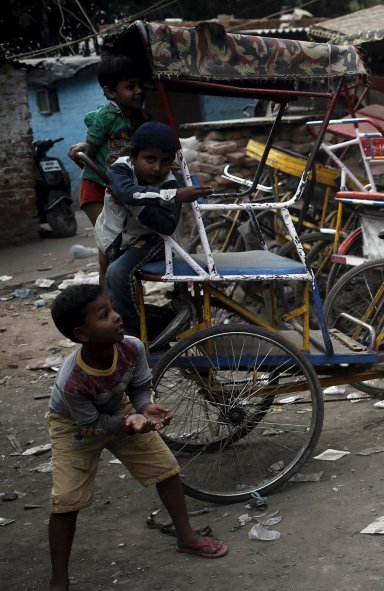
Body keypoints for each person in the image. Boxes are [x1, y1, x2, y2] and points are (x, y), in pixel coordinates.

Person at [47, 284, 227, 590]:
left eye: (113, 309)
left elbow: (139, 385)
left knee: (165, 468)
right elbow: (92, 422)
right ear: (82, 334)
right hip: (74, 425)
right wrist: (129, 423)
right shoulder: (72, 381)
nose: (117, 317)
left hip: (119, 407)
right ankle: (59, 580)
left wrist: (145, 406)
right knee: (66, 501)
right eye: (105, 315)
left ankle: (186, 536)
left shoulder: (131, 347)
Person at [95, 121, 213, 337]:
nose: (157, 168)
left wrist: (138, 203)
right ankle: (168, 318)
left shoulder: (169, 182)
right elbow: (125, 192)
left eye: (165, 162)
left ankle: (132, 336)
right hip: (113, 240)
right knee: (108, 295)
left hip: (151, 239)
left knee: (118, 273)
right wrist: (171, 197)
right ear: (133, 156)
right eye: (150, 159)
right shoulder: (120, 169)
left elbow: (166, 225)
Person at [68, 55, 149, 287]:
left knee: (126, 244)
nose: (138, 91)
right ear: (110, 92)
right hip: (96, 188)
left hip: (121, 190)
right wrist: (82, 149)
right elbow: (90, 147)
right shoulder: (106, 115)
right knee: (110, 244)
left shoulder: (139, 118)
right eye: (130, 87)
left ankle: (119, 292)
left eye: (140, 86)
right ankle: (106, 295)